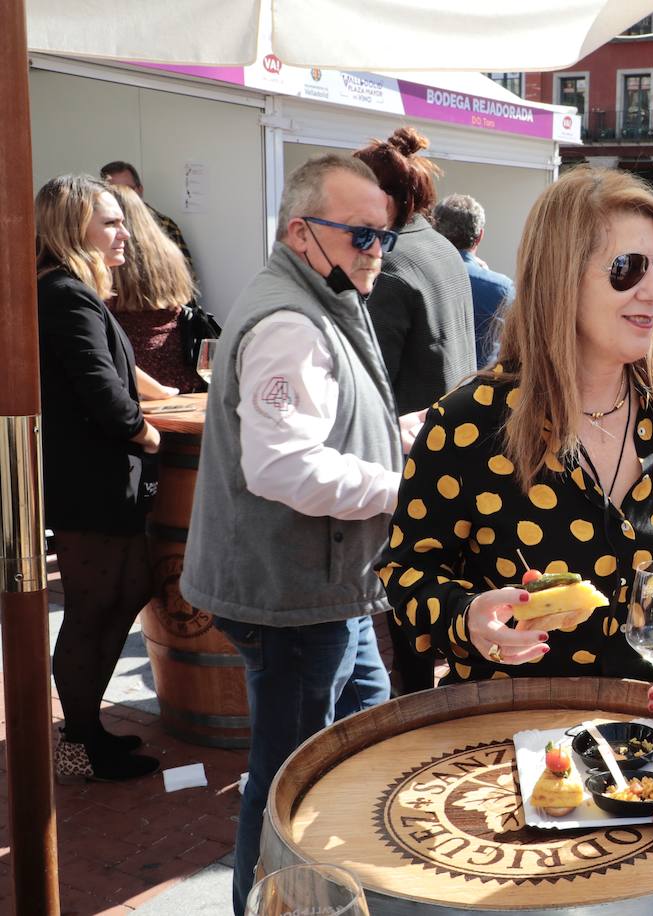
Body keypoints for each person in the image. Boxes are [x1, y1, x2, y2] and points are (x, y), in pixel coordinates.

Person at [376, 167, 653, 705]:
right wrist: (467, 618)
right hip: (509, 739)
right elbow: (407, 570)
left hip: (652, 735)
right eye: (627, 268)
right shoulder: (469, 422)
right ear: (559, 277)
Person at [179, 154, 407, 914]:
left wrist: (412, 440)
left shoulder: (318, 297)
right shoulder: (290, 320)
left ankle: (338, 895)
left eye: (383, 236)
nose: (376, 250)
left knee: (363, 745)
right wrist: (403, 488)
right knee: (285, 783)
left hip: (327, 590)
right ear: (302, 233)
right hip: (295, 599)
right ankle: (266, 904)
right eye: (361, 236)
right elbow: (284, 467)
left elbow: (330, 432)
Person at [38, 175, 163, 784]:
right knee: (91, 607)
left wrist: (163, 396)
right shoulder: (63, 292)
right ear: (71, 228)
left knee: (128, 586)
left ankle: (85, 732)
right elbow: (99, 387)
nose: (124, 233)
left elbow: (112, 369)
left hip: (98, 479)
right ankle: (78, 741)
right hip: (90, 480)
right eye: (109, 222)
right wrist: (147, 432)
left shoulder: (69, 290)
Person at [355, 127, 477, 695]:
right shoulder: (442, 247)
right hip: (461, 444)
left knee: (412, 604)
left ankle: (415, 713)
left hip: (413, 451)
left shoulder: (393, 263)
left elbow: (370, 380)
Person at [356, 127, 476, 417]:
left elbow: (368, 387)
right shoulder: (443, 247)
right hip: (452, 433)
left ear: (381, 199)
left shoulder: (387, 264)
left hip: (409, 447)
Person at [106, 184, 203, 395]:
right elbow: (186, 299)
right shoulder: (169, 253)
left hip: (132, 377)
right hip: (177, 370)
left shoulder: (108, 258)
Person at [432, 193, 513, 367]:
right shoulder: (502, 288)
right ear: (480, 235)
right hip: (478, 389)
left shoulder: (416, 274)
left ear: (435, 231)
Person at [100, 160, 194, 275]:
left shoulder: (164, 226)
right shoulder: (96, 228)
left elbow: (187, 278)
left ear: (140, 190)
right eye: (113, 191)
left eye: (128, 189)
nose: (122, 196)